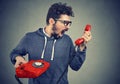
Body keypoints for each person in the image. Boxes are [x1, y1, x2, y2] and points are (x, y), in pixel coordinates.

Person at [10, 2, 92, 84]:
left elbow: (75, 66)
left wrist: (82, 47)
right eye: (65, 23)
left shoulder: (67, 41)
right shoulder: (30, 38)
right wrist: (18, 58)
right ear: (52, 21)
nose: (68, 27)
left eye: (69, 23)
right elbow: (15, 53)